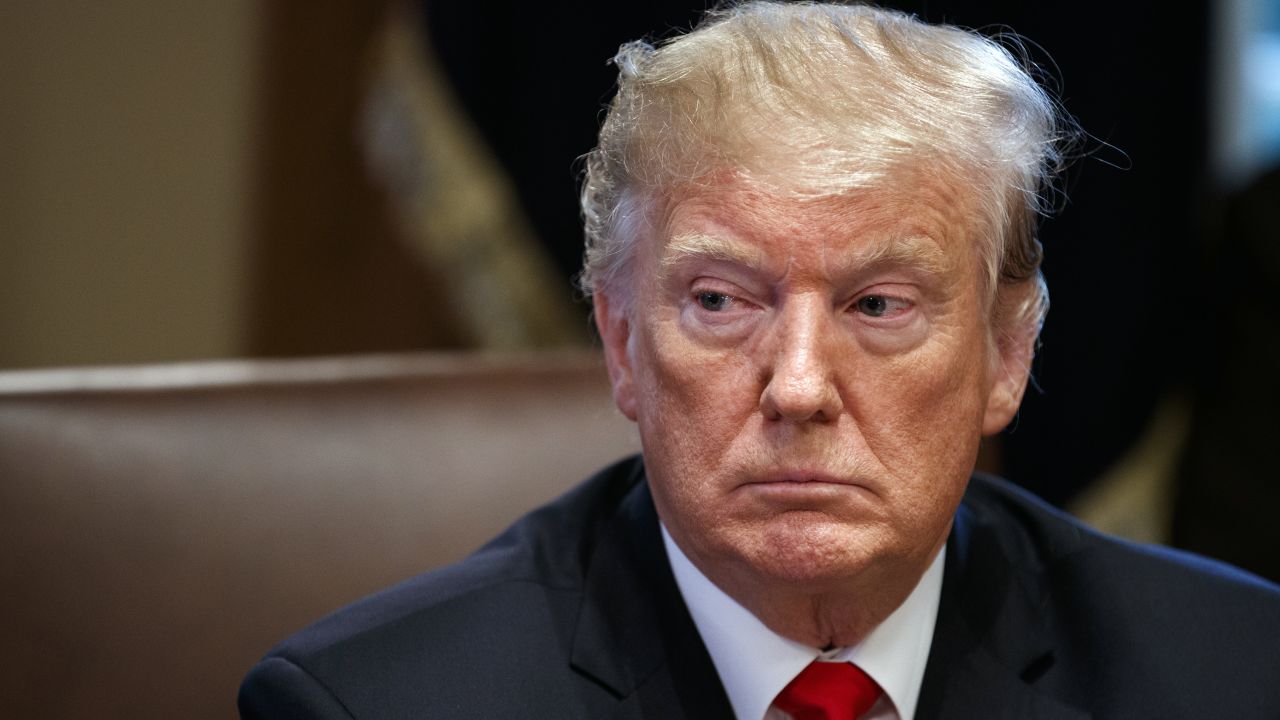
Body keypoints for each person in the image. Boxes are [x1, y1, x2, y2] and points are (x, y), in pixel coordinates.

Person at [238, 2, 1280, 718]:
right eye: (720, 302)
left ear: (1006, 355)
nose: (796, 387)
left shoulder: (1231, 674)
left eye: (877, 306)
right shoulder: (371, 706)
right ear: (620, 345)